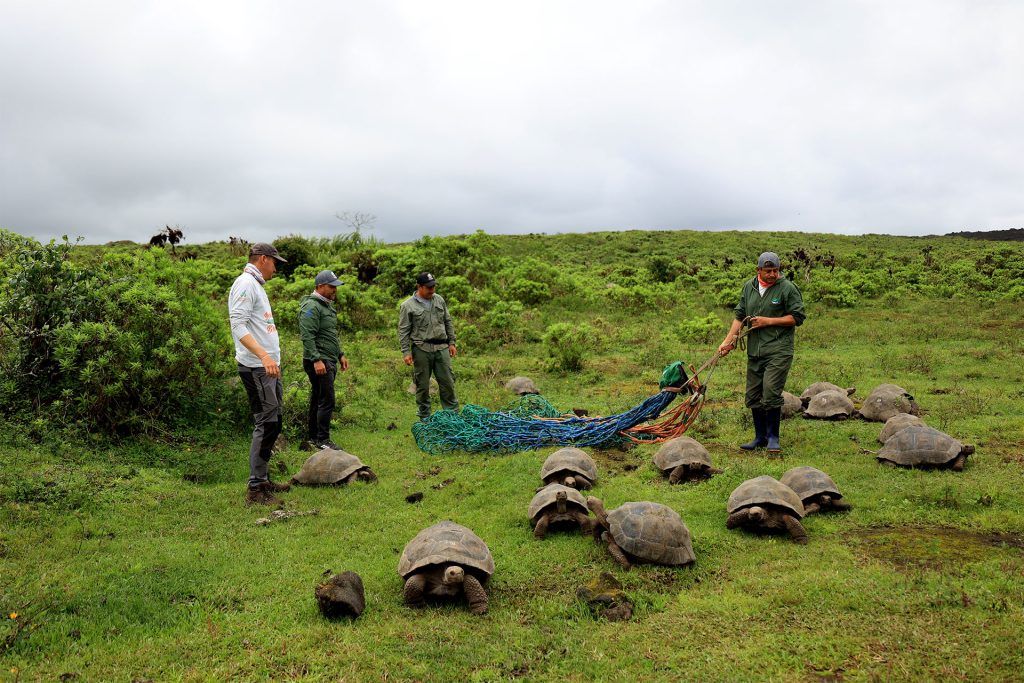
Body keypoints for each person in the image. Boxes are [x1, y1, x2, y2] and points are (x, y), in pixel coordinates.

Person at [718, 252, 806, 454]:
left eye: (776, 270)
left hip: (778, 349)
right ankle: (760, 437)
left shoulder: (787, 289)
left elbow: (798, 317)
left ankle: (774, 438)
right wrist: (729, 340)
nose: (773, 274)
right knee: (753, 394)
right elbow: (740, 315)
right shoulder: (749, 287)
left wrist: (768, 321)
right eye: (768, 271)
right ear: (758, 271)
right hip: (755, 350)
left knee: (771, 391)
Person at [228, 242, 290, 505]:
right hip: (256, 367)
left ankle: (263, 479)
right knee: (266, 423)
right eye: (274, 262)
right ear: (263, 259)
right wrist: (264, 356)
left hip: (268, 368)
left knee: (274, 421)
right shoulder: (245, 283)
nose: (276, 268)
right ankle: (255, 489)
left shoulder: (257, 286)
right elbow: (238, 326)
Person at [299, 269, 350, 450]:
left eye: (336, 287)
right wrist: (316, 360)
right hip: (319, 361)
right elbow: (307, 335)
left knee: (318, 397)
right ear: (320, 286)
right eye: (331, 287)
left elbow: (330, 335)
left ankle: (314, 437)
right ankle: (323, 440)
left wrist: (340, 354)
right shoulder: (311, 307)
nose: (335, 290)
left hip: (329, 358)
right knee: (327, 399)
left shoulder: (326, 305)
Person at [398, 272, 459, 421]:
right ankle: (425, 419)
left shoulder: (439, 300)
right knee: (422, 386)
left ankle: (452, 418)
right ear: (419, 287)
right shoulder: (407, 306)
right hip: (421, 349)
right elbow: (403, 330)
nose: (432, 290)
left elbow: (447, 321)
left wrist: (452, 342)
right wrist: (406, 352)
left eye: (433, 286)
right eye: (428, 287)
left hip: (441, 347)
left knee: (448, 383)